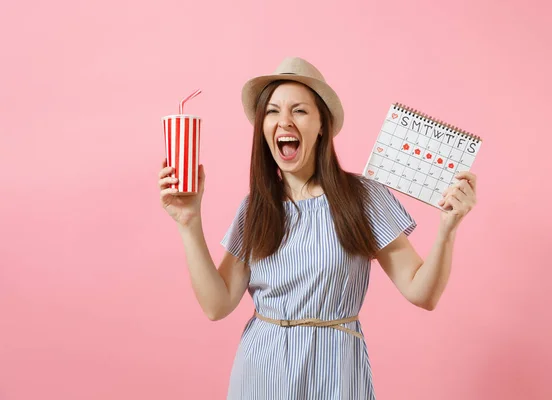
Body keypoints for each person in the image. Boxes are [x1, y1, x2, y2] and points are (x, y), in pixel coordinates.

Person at [158, 57, 478, 399]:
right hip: (262, 374)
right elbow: (216, 305)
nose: (284, 121)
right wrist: (188, 222)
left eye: (299, 111)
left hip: (337, 374)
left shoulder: (364, 197)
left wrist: (448, 228)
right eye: (272, 111)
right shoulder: (255, 209)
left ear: (322, 124)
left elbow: (422, 293)